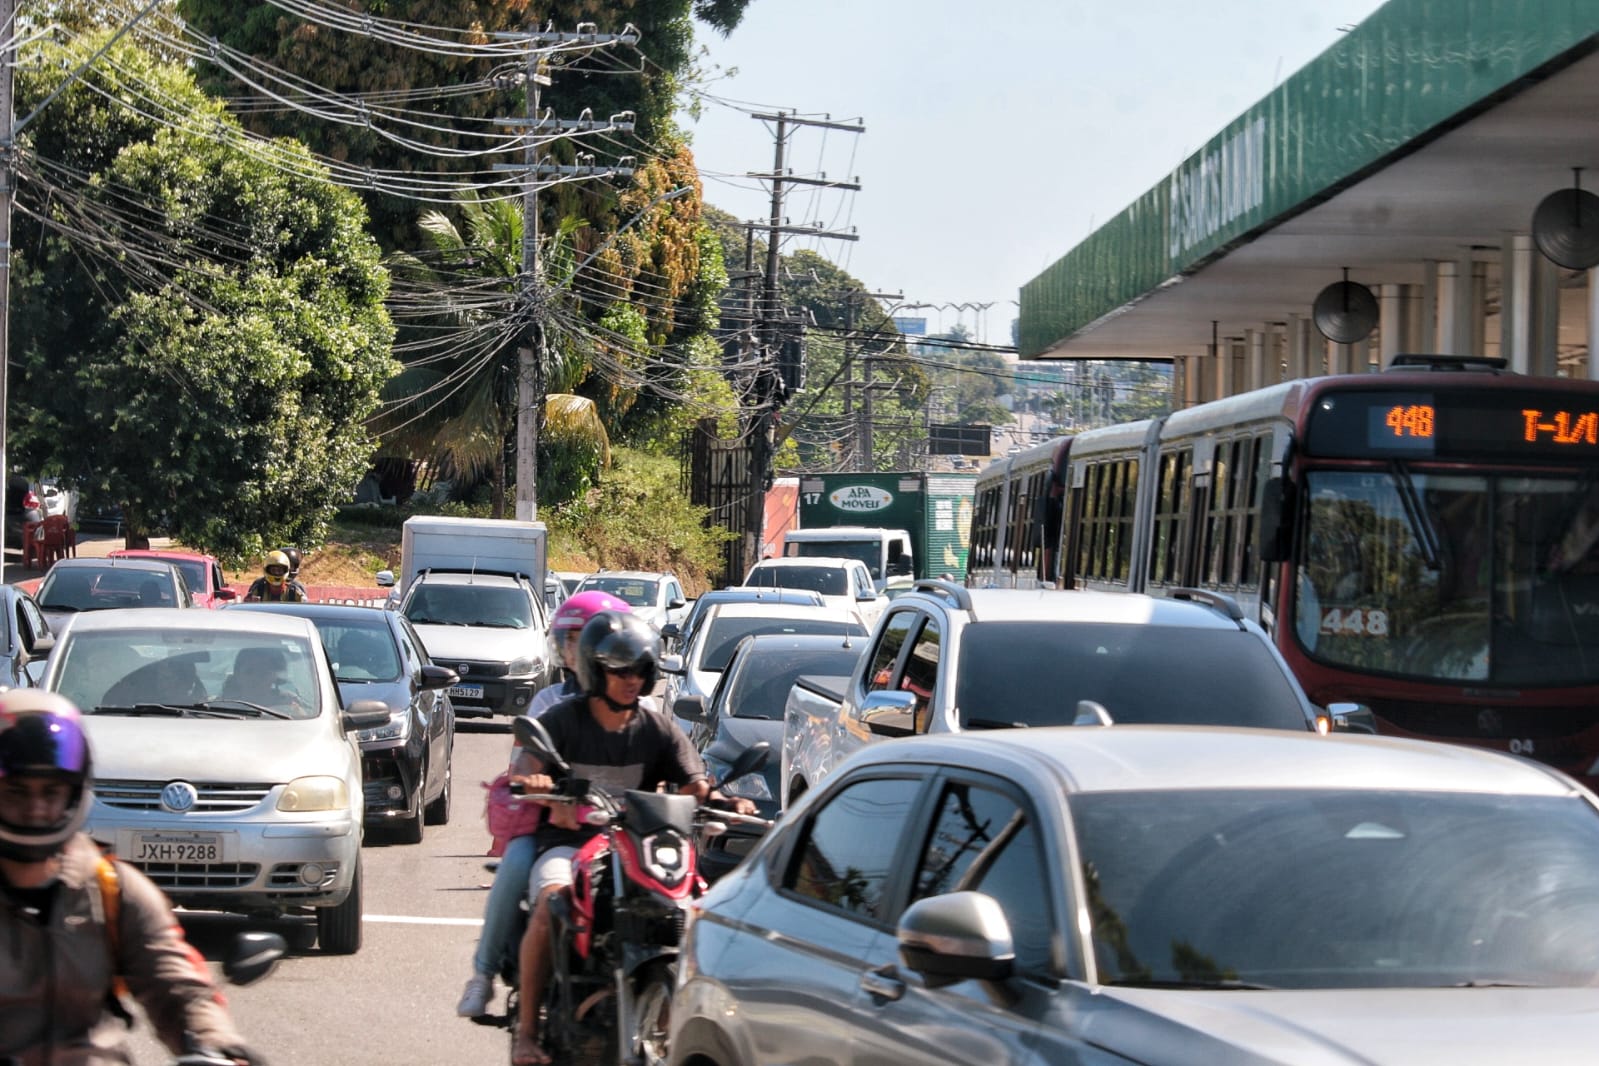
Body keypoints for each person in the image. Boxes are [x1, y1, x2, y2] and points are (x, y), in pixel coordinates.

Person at [509, 611, 755, 1066]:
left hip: (639, 846)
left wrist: (725, 800)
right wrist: (538, 786)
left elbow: (694, 782)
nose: (631, 680)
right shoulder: (564, 720)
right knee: (550, 904)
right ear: (594, 670)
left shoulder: (656, 726)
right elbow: (523, 770)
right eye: (620, 670)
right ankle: (527, 1033)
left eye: (640, 671)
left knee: (693, 911)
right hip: (570, 842)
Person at [0, 691, 264, 1065]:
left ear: (74, 792)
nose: (36, 807)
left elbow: (175, 983)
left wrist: (213, 1039)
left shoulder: (113, 889)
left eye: (52, 791)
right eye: (16, 791)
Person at [455, 589, 632, 1018]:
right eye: (569, 641)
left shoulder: (636, 704)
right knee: (515, 867)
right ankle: (481, 975)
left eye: (584, 640)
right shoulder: (549, 702)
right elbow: (520, 768)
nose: (576, 652)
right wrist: (541, 788)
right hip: (553, 823)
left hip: (623, 828)